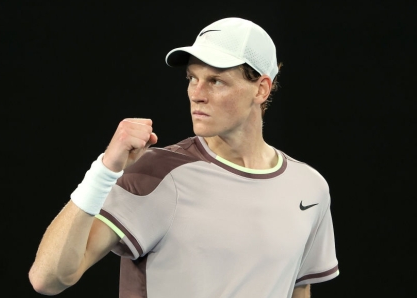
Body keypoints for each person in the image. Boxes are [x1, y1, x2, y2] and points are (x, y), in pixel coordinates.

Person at [28, 17, 339, 298]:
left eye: (216, 80)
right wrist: (104, 170)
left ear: (261, 90)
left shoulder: (309, 189)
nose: (197, 93)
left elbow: (298, 288)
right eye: (192, 78)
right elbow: (49, 278)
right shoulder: (156, 172)